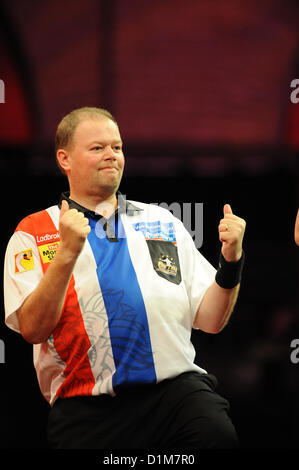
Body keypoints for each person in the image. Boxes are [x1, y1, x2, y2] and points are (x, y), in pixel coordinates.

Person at [4, 106, 246, 449]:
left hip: (177, 395)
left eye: (117, 147)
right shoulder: (33, 232)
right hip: (88, 409)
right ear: (64, 159)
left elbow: (210, 320)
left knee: (217, 438)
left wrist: (231, 261)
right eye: (97, 147)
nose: (111, 155)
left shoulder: (162, 221)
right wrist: (67, 253)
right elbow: (33, 328)